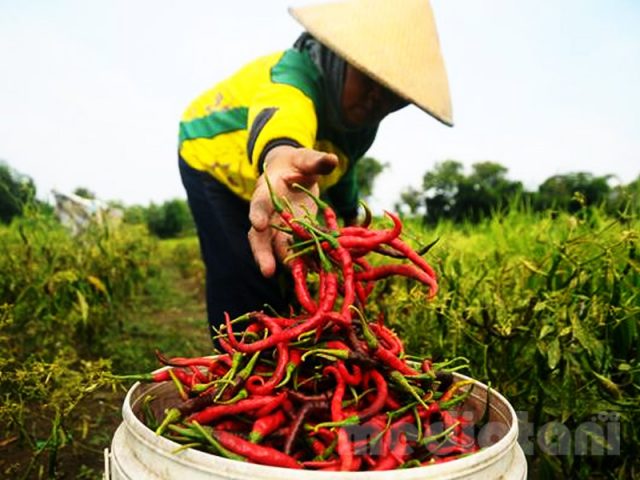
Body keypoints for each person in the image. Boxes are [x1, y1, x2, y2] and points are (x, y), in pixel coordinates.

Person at [178, 0, 453, 340]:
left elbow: (342, 167)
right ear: (339, 56)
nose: (377, 99)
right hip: (211, 156)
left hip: (276, 184)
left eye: (394, 95)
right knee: (242, 277)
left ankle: (279, 369)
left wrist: (351, 215)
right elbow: (283, 111)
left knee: (293, 277)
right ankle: (236, 375)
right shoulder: (296, 71)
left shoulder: (360, 125)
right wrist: (281, 156)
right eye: (369, 79)